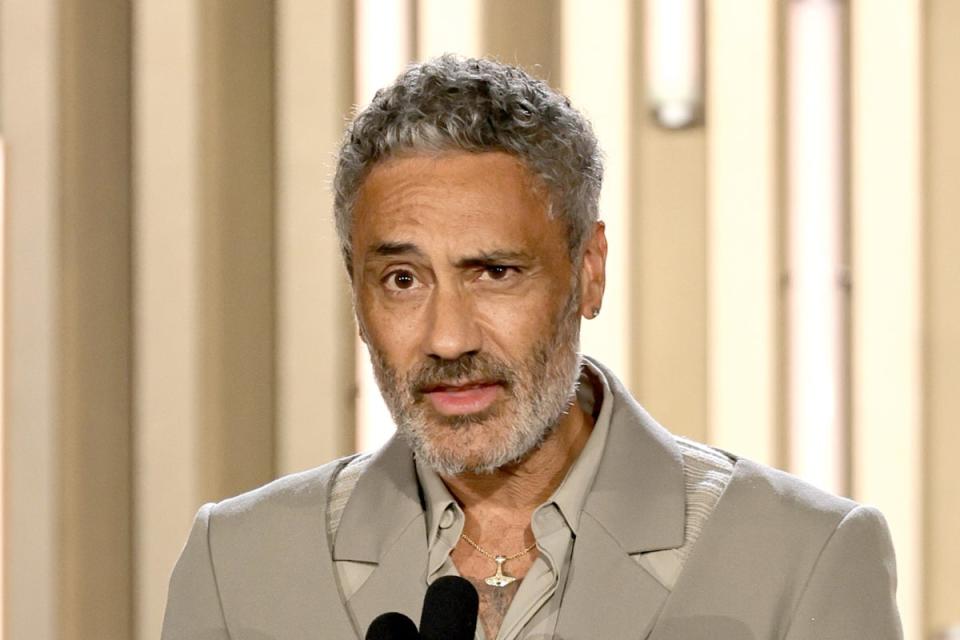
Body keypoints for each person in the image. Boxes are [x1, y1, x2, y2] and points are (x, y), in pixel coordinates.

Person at [161, 55, 902, 640]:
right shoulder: (240, 560)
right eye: (401, 279)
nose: (448, 338)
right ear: (356, 294)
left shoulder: (803, 557)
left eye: (494, 272)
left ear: (588, 272)